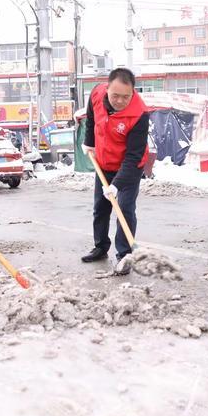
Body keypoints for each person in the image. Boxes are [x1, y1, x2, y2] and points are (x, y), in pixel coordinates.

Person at [81, 68, 149, 275]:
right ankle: (101, 247)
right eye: (115, 95)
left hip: (128, 169)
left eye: (125, 96)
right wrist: (89, 142)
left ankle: (124, 255)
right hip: (103, 162)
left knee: (125, 210)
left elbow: (133, 156)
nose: (119, 101)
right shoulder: (96, 94)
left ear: (133, 92)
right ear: (107, 89)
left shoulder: (139, 114)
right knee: (100, 208)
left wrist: (117, 185)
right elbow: (91, 118)